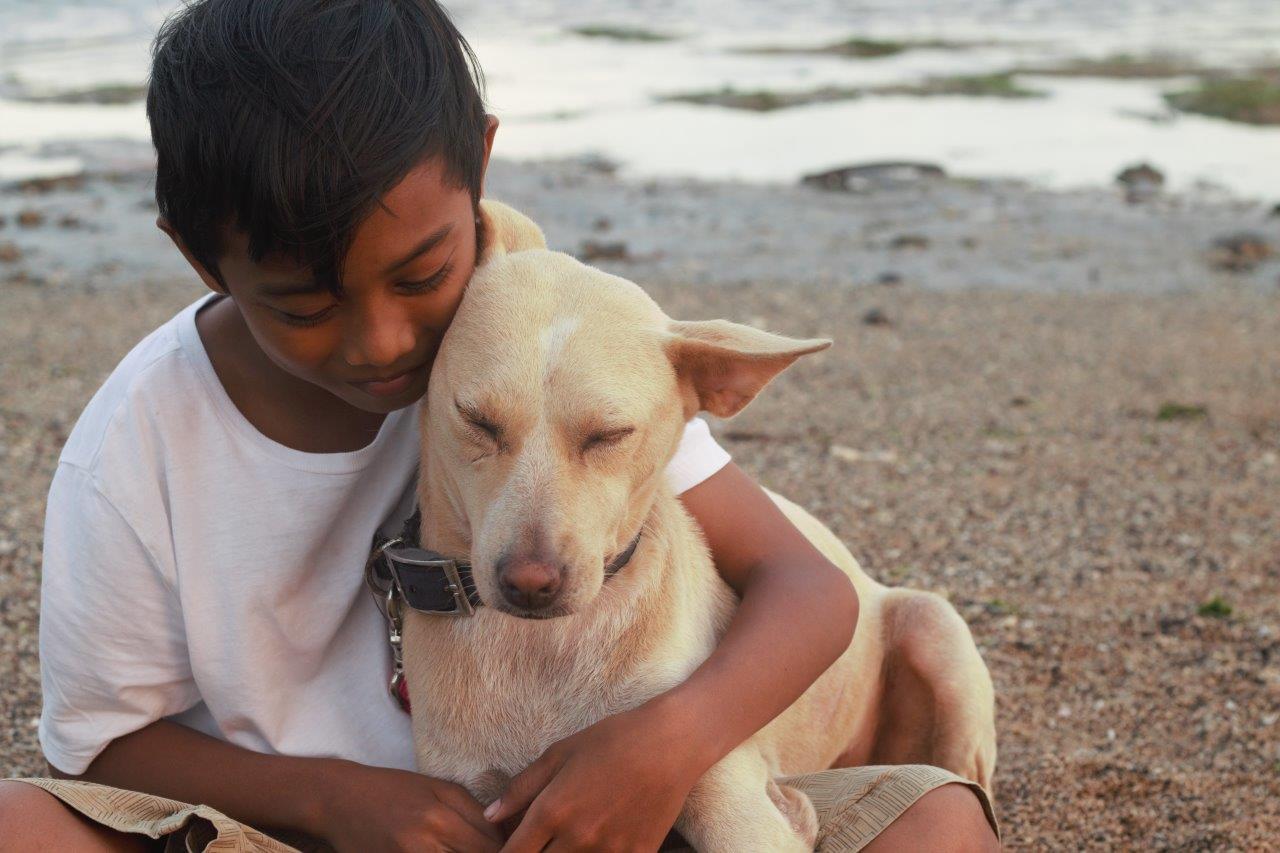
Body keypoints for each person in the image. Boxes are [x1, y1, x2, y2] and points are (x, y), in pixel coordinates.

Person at [0, 1, 998, 850]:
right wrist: (334, 799)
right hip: (298, 828)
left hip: (596, 801)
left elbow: (807, 586)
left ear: (478, 161)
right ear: (202, 258)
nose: (383, 341)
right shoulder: (135, 446)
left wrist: (664, 744)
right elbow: (95, 743)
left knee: (940, 821)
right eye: (304, 306)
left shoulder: (530, 337)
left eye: (421, 274)